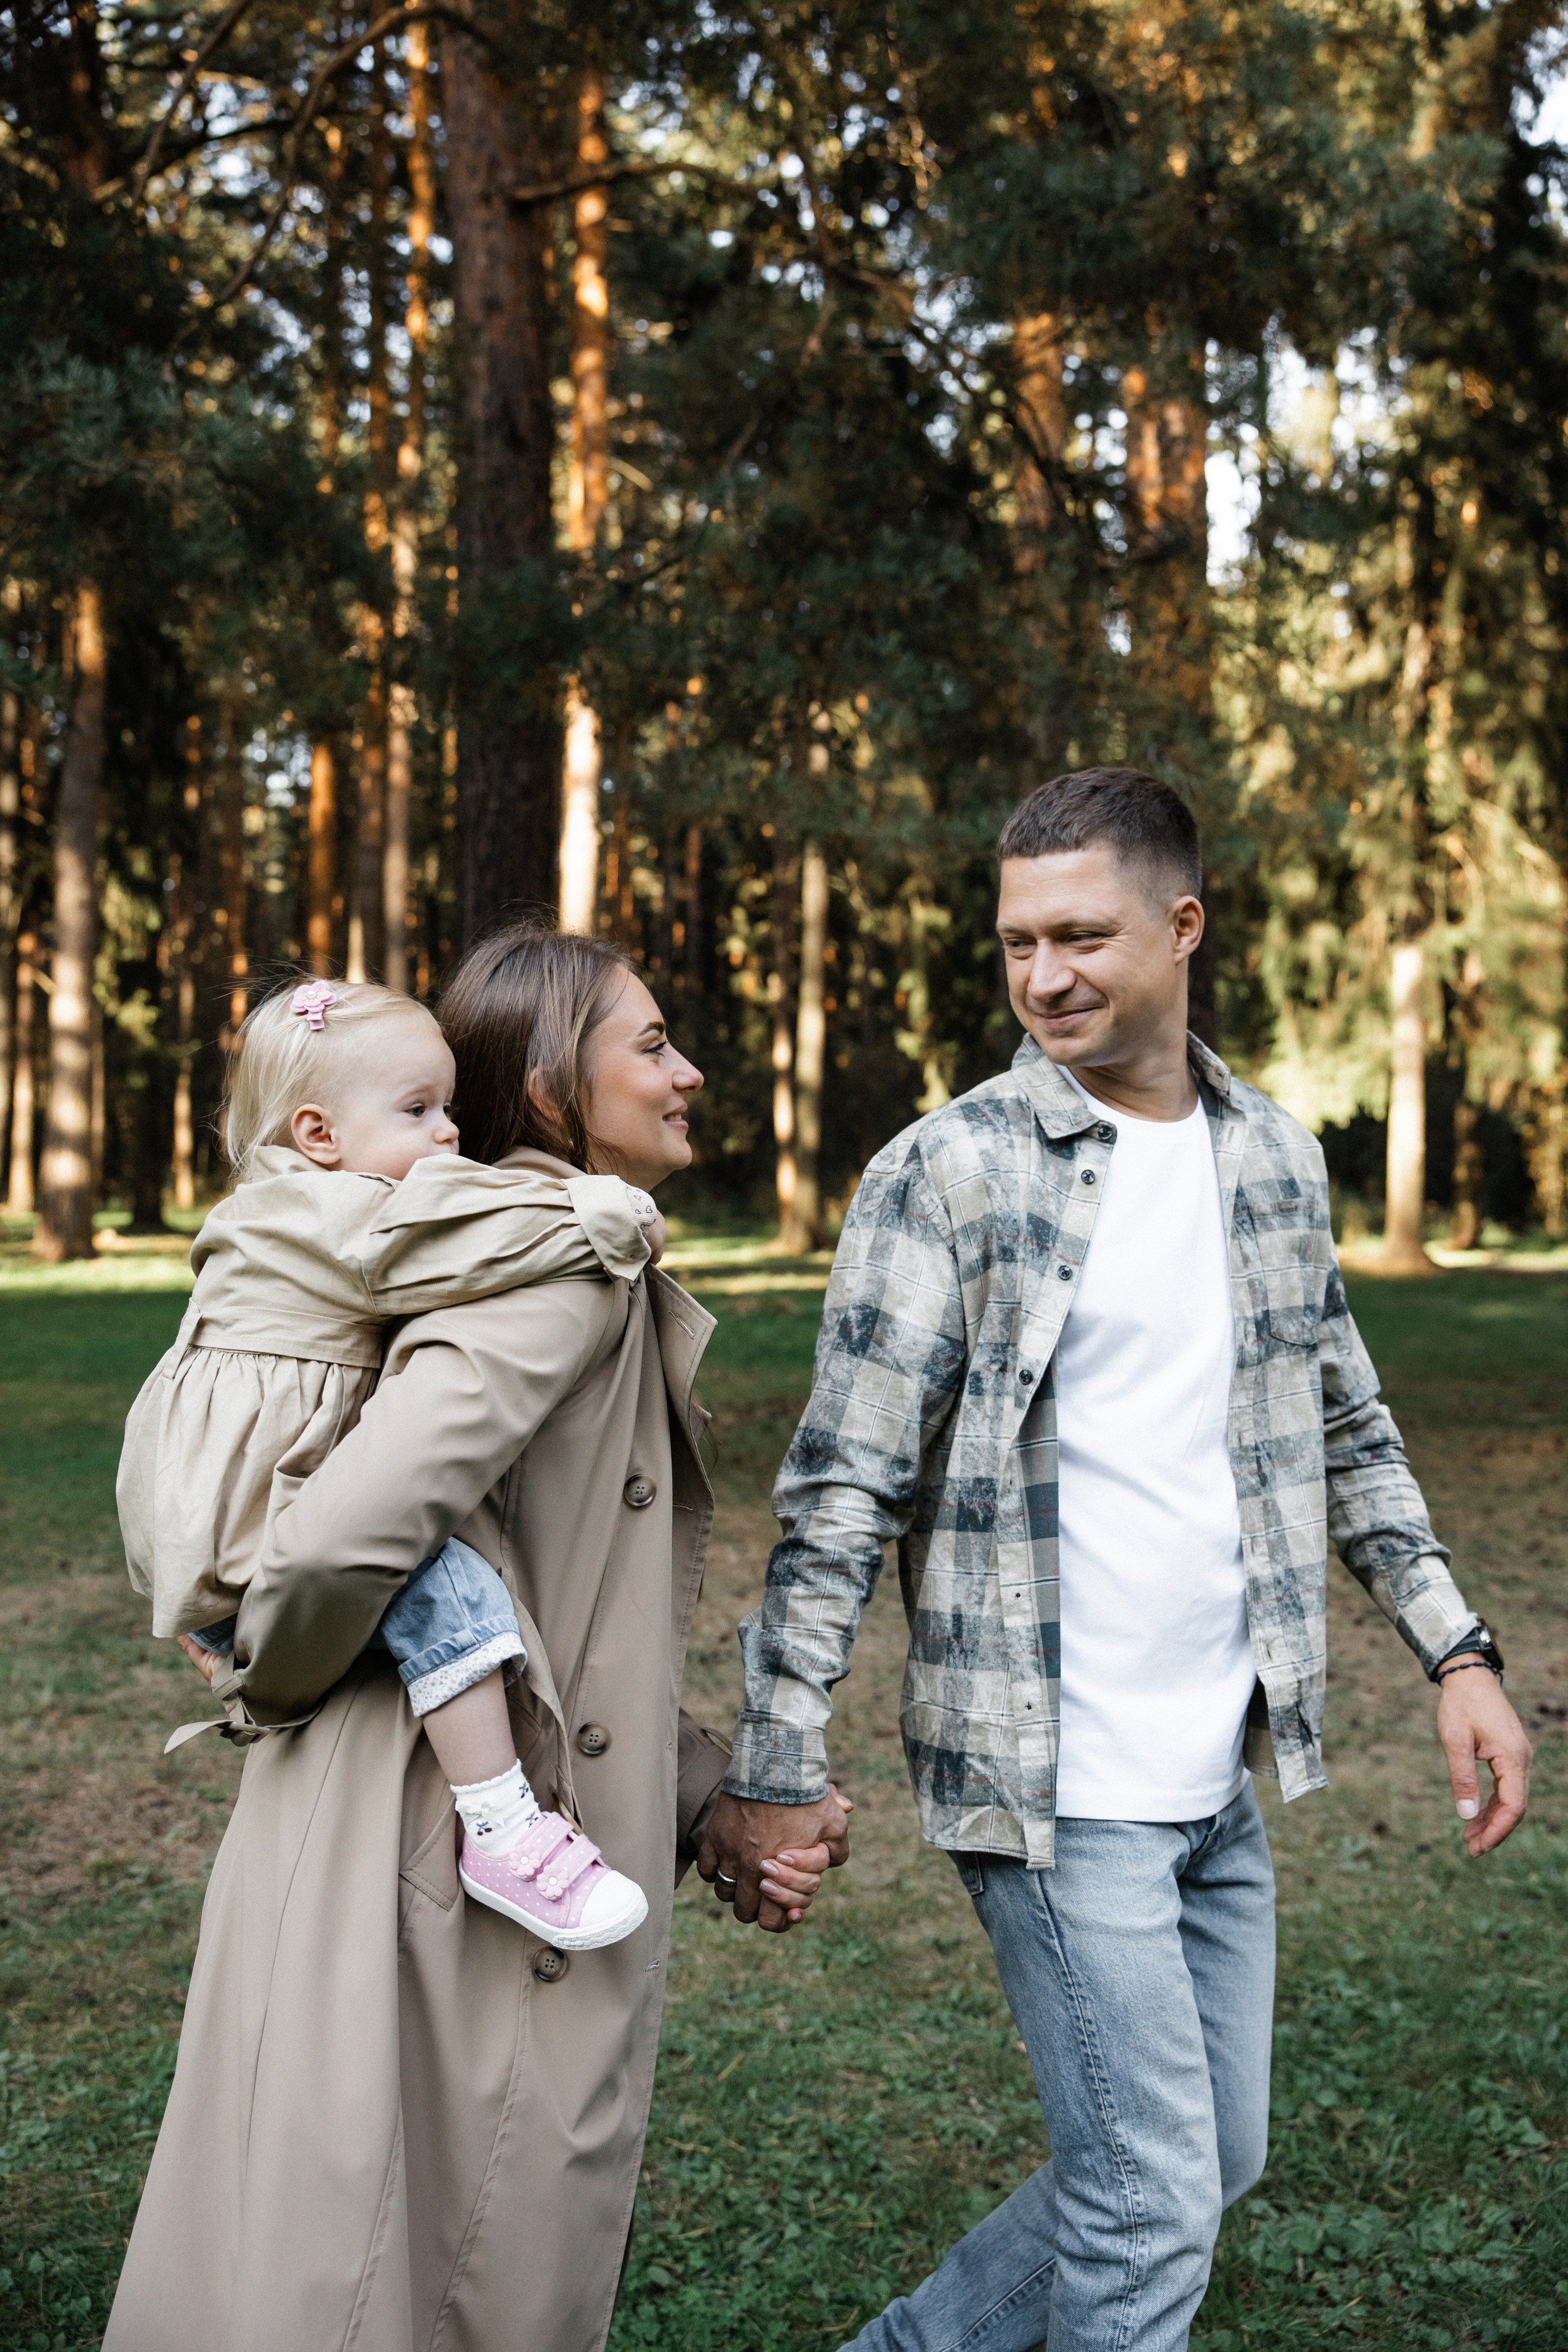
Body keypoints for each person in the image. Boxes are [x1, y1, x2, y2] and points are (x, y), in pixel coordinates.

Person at [698, 767, 1533, 2352]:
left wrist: (1460, 1652)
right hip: (1050, 1771)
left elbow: (1346, 1426)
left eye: (1081, 933)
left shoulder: (1271, 1161)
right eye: (1019, 942)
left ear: (1184, 924)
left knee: (1210, 2161)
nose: (1046, 975)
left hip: (1214, 1760)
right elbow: (840, 1487)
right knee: (1151, 2206)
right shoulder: (950, 1172)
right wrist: (777, 1755)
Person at [105, 926, 839, 2352]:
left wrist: (702, 1796)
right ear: (558, 1086)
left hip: (441, 1809)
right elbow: (340, 1537)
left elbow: (565, 1600)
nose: (688, 1070)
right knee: (386, 2274)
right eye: (652, 1043)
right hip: (422, 1838)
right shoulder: (545, 1265)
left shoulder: (517, 1245)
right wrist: (274, 1662)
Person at [120, 973, 661, 1947]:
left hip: (211, 1499)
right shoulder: (339, 1216)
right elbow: (461, 1242)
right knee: (446, 1591)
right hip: (257, 1508)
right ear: (319, 1135)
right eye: (417, 1111)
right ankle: (502, 1828)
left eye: (449, 1106)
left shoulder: (287, 1206)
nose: (450, 1134)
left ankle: (221, 1625)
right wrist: (605, 1216)